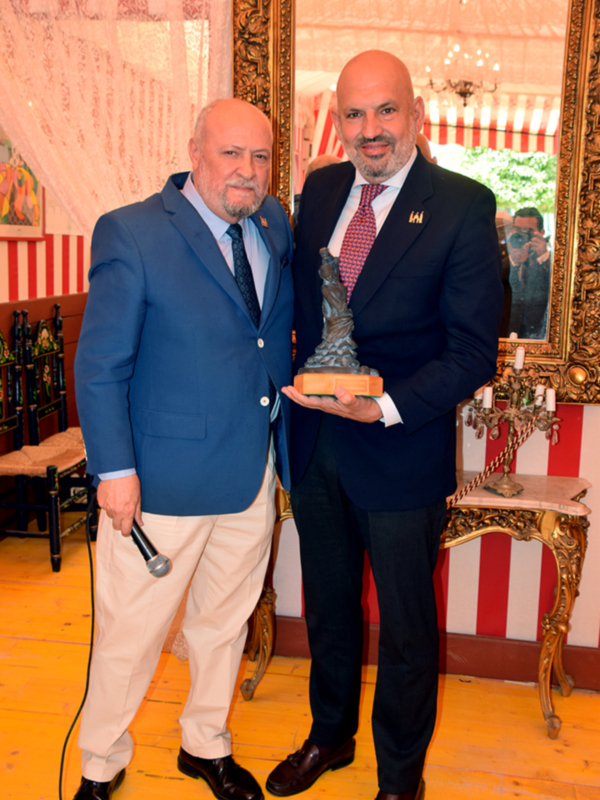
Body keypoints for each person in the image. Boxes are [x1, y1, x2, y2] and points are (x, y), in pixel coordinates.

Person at [266, 51, 503, 800]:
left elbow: (473, 351)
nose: (370, 129)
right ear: (338, 122)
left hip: (400, 448)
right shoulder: (319, 189)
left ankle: (400, 780)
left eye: (386, 110)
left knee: (405, 629)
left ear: (416, 114)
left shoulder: (463, 205)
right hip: (317, 446)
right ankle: (330, 737)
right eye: (354, 113)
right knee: (328, 608)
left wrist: (383, 406)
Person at [72, 98, 294, 800]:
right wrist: (114, 471)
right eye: (231, 153)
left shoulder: (273, 223)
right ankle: (100, 764)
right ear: (194, 152)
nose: (247, 170)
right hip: (158, 485)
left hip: (250, 474)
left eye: (260, 156)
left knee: (223, 626)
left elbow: (262, 338)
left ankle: (205, 745)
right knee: (130, 636)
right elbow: (99, 366)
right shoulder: (132, 232)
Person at [506, 206, 551, 339]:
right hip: (506, 332)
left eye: (528, 231)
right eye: (517, 230)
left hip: (539, 335)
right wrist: (513, 261)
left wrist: (543, 256)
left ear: (541, 233)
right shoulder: (500, 255)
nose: (522, 235)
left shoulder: (552, 261)